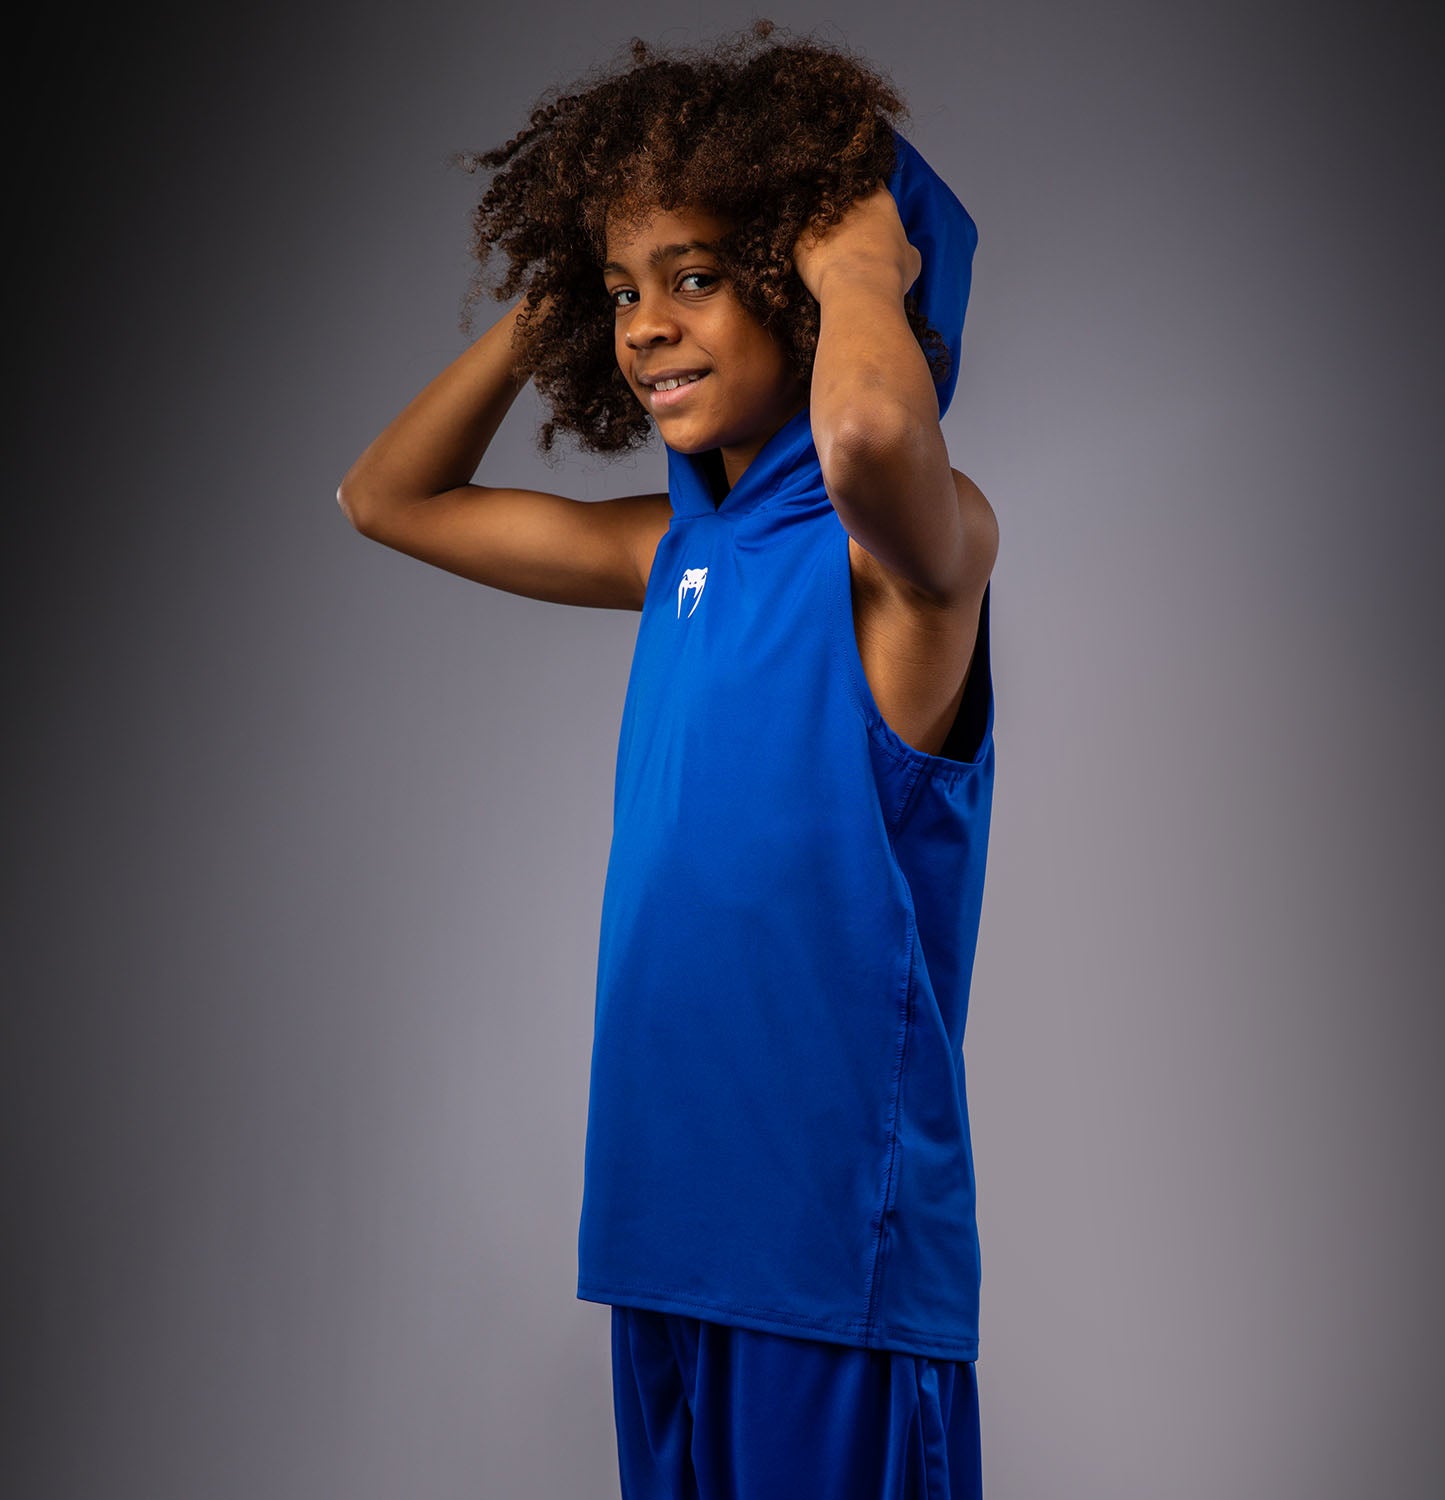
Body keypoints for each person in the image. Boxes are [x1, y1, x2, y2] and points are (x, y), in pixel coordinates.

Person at [338, 20, 997, 1498]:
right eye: (625, 292)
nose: (643, 328)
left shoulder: (914, 549)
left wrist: (859, 265)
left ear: (794, 283)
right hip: (661, 1235)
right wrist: (565, 296)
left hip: (829, 1259)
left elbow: (868, 439)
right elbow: (387, 497)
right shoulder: (673, 552)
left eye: (696, 278)